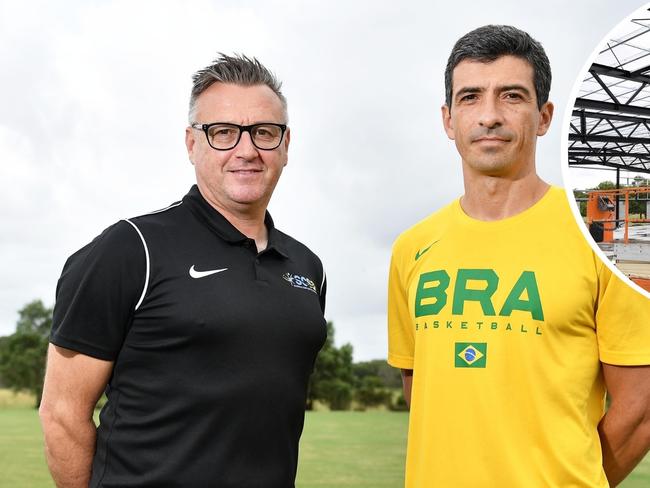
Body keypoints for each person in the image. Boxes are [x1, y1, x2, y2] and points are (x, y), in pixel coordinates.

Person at [39, 54, 327, 488]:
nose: (246, 150)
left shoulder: (308, 268)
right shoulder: (129, 249)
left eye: (264, 133)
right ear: (192, 144)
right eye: (223, 133)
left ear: (286, 145)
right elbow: (62, 413)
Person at [387, 25, 650, 487]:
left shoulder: (601, 244)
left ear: (544, 116)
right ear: (448, 120)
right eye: (470, 97)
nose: (489, 116)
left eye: (511, 96)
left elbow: (641, 407)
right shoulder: (412, 248)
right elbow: (423, 391)